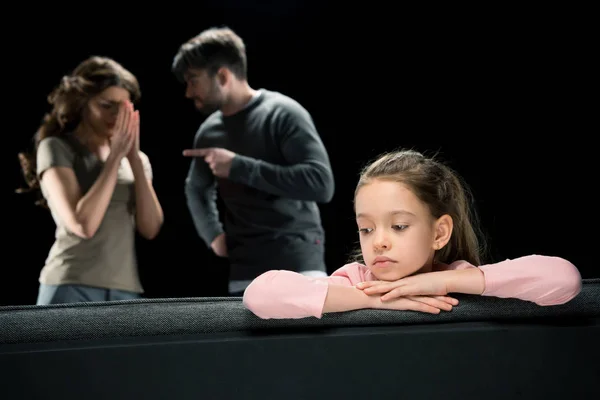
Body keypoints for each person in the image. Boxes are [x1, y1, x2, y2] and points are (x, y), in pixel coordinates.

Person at [243, 149, 582, 319]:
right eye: (366, 228)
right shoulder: (355, 282)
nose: (379, 241)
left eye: (399, 226)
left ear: (440, 232)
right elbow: (260, 294)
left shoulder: (456, 279)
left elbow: (565, 280)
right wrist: (377, 300)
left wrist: (440, 283)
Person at [171, 27, 335, 295]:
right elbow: (195, 189)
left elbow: (320, 183)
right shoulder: (209, 131)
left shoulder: (283, 113)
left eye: (193, 80)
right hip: (244, 274)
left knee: (307, 337)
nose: (188, 92)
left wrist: (238, 167)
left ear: (222, 75)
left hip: (299, 267)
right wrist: (212, 235)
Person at [17, 56, 164, 305]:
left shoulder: (136, 160)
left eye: (123, 106)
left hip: (125, 290)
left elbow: (150, 228)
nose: (116, 115)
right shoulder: (56, 147)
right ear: (83, 102)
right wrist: (116, 157)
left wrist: (134, 160)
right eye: (107, 105)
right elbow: (83, 225)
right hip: (70, 285)